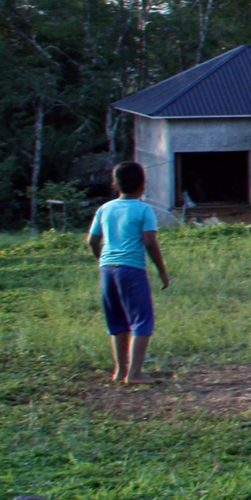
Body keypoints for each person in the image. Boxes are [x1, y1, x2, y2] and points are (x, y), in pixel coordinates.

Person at [87, 161, 170, 386]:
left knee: (117, 320)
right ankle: (135, 373)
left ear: (115, 185)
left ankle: (120, 370)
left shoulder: (104, 209)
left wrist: (102, 260)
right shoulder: (144, 210)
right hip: (131, 269)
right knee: (142, 320)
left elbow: (92, 241)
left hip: (107, 270)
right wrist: (162, 272)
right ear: (143, 185)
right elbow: (150, 242)